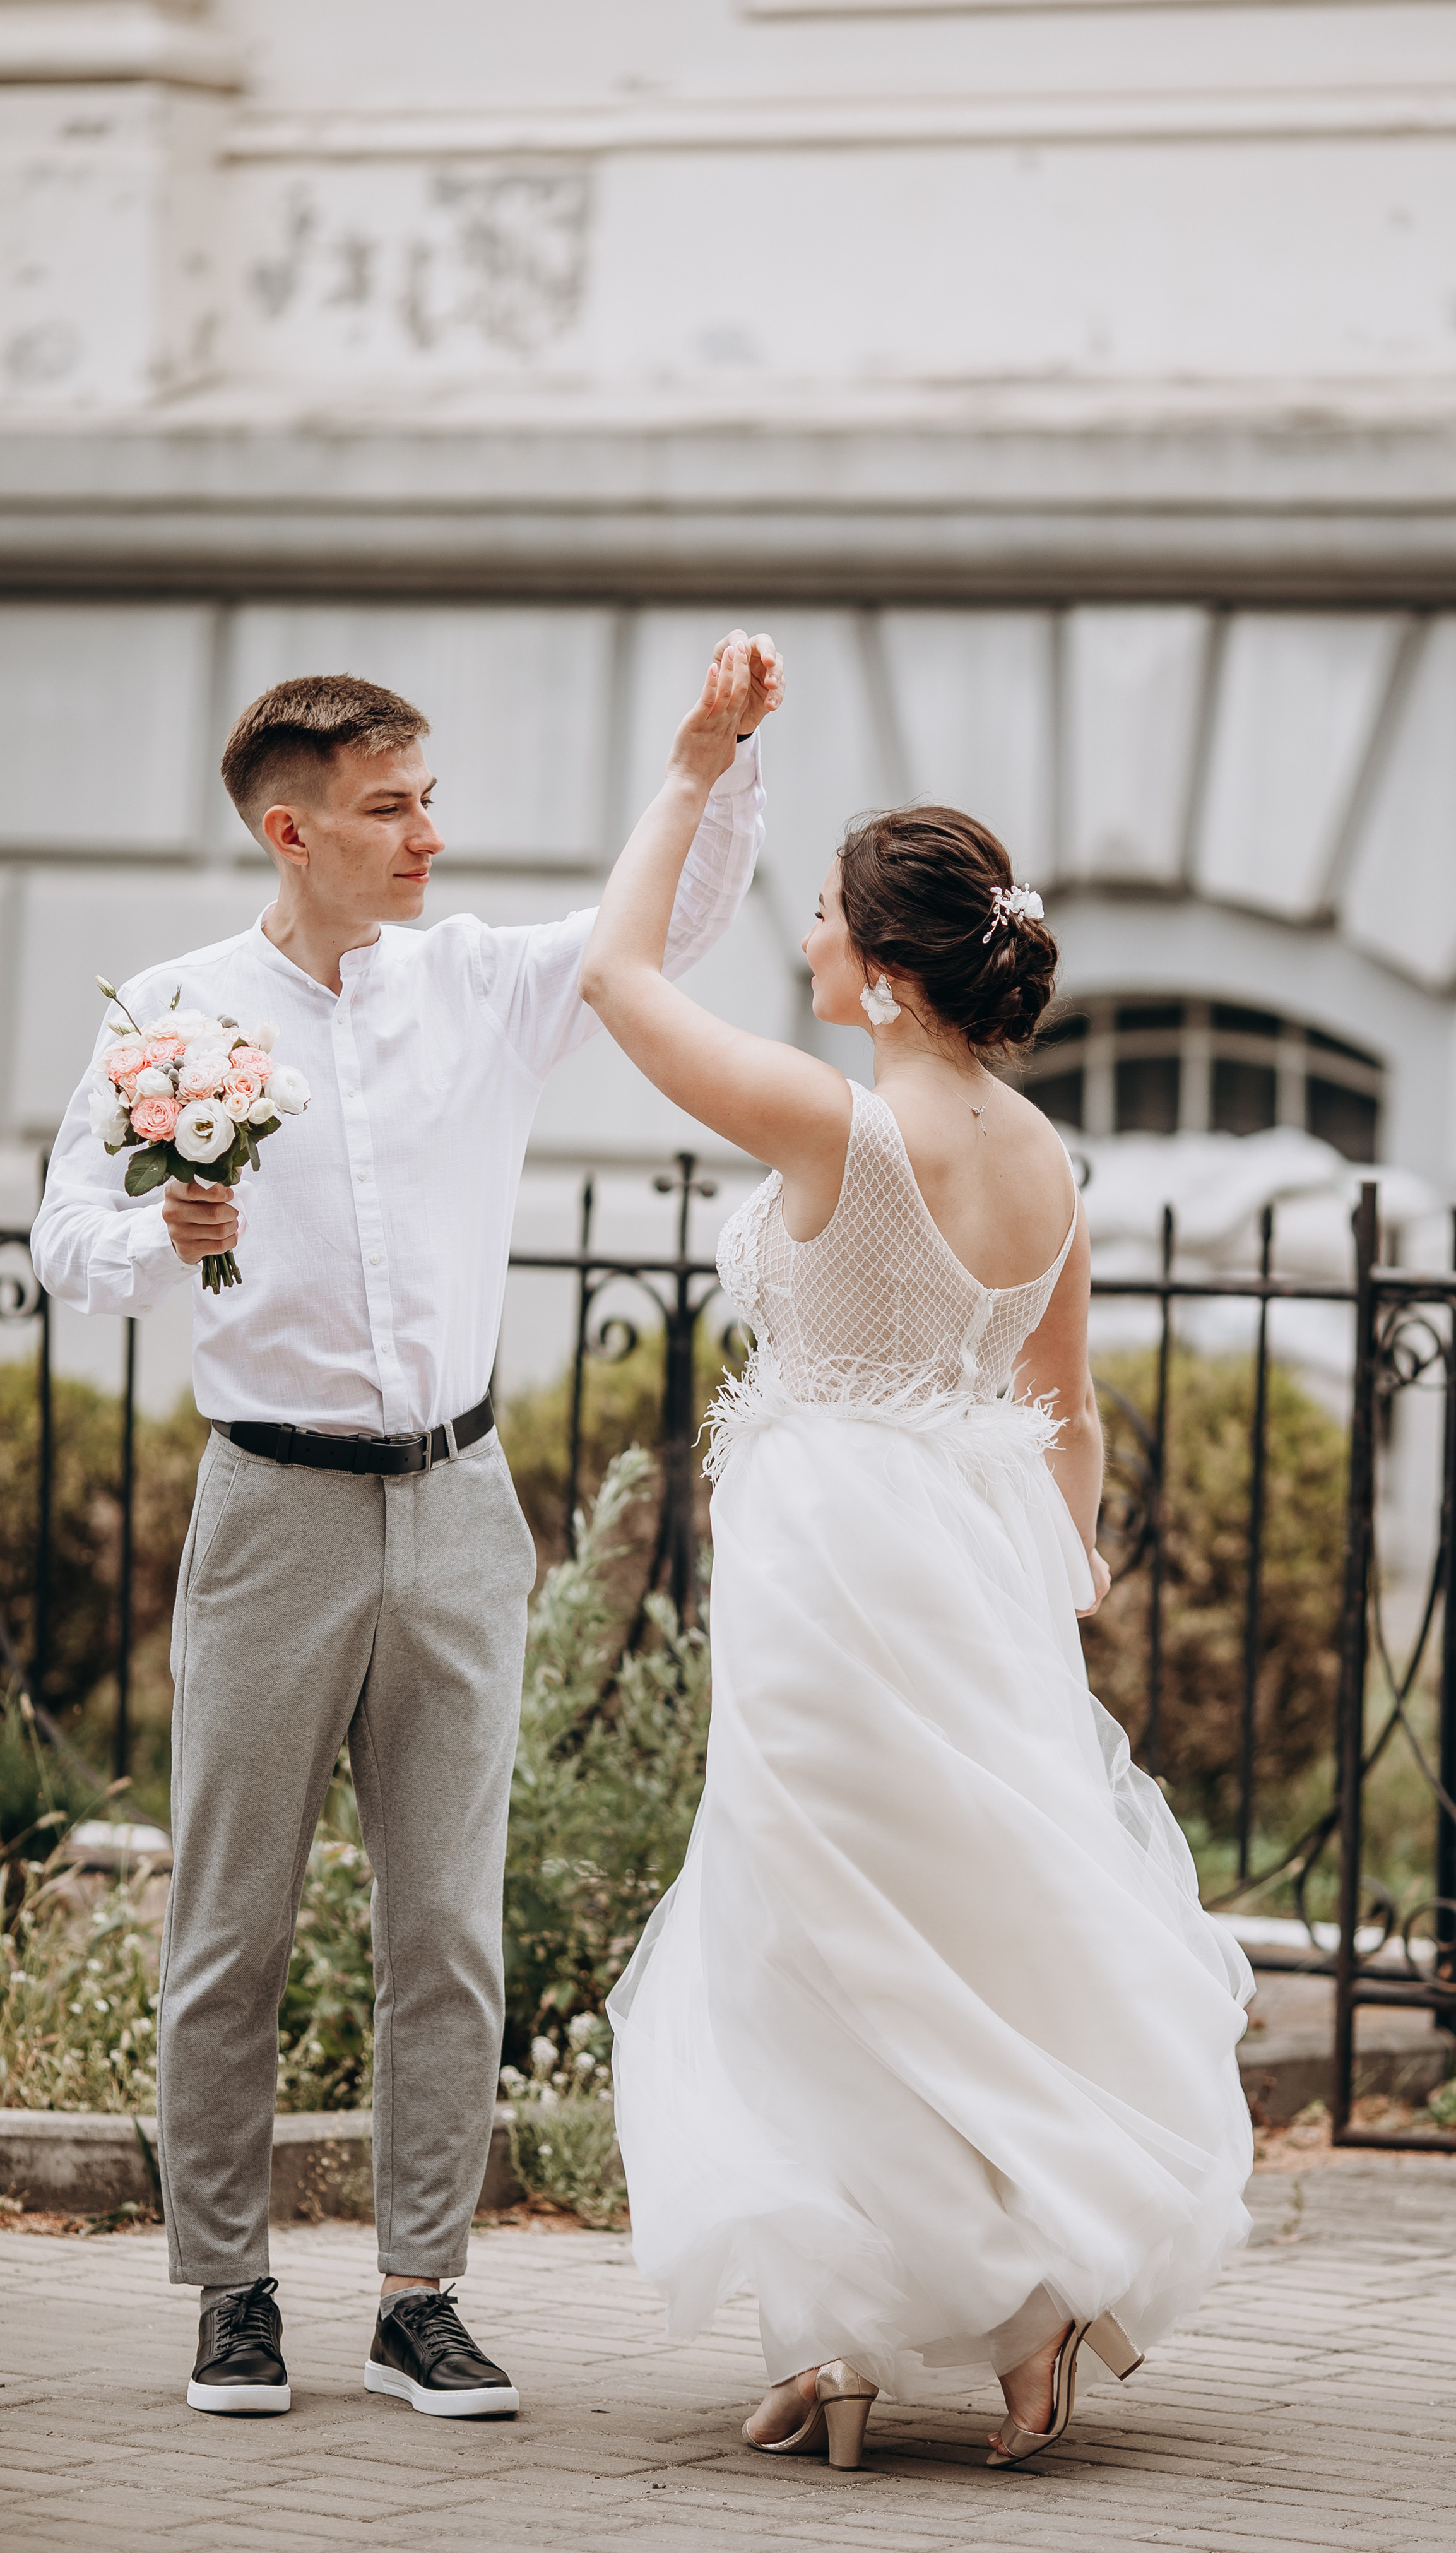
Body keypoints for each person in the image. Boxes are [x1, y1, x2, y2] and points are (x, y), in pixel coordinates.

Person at [31, 637, 782, 2420]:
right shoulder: (172, 1015)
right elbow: (67, 1237)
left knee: (446, 1926)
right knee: (232, 1920)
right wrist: (174, 1237)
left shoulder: (484, 985)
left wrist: (708, 766)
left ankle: (422, 2290)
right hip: (270, 1505)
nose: (429, 835)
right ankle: (229, 2290)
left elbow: (661, 936)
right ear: (293, 833)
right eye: (393, 808)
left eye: (431, 797)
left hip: (458, 1501)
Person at [583, 641, 1253, 2472]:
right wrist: (1073, 1571)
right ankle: (867, 2325)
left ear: (878, 970)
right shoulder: (1045, 1159)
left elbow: (612, 978)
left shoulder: (838, 1118)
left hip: (827, 1572)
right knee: (947, 1928)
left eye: (814, 917)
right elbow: (1073, 1406)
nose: (799, 940)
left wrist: (691, 777)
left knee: (820, 1934)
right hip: (964, 1565)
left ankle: (968, 2306)